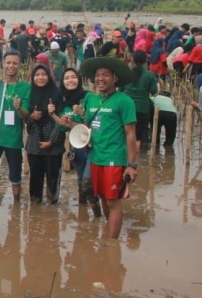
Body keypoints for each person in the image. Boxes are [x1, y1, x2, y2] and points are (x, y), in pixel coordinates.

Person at [76, 57, 138, 239]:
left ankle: (112, 244)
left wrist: (132, 165)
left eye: (105, 75)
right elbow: (87, 126)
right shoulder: (92, 100)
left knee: (113, 201)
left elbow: (130, 134)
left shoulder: (124, 101)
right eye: (97, 75)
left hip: (114, 159)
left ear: (115, 78)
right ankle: (110, 233)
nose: (100, 79)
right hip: (95, 157)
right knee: (103, 197)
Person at [53, 68, 97, 211]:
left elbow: (95, 121)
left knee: (89, 179)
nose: (70, 80)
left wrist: (82, 113)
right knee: (80, 179)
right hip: (77, 144)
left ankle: (96, 208)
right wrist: (56, 117)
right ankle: (83, 211)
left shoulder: (88, 97)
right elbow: (62, 127)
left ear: (78, 79)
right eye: (66, 78)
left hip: (94, 143)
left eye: (73, 77)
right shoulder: (61, 100)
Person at [26, 64, 65, 204]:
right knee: (35, 178)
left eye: (44, 74)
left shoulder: (57, 94)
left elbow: (62, 122)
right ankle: (35, 212)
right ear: (33, 77)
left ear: (49, 76)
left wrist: (52, 141)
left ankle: (52, 211)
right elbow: (26, 122)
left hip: (53, 145)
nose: (40, 77)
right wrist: (31, 117)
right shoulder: (30, 94)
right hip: (34, 143)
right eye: (37, 75)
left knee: (53, 179)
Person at [0, 51, 31, 202]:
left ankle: (16, 206)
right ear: (3, 64)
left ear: (20, 66)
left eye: (15, 63)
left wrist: (19, 108)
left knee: (15, 175)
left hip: (14, 139)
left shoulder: (25, 87)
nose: (11, 66)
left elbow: (26, 115)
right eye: (8, 63)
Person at [122, 50, 159, 148]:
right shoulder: (150, 75)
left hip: (126, 106)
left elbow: (120, 89)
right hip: (142, 107)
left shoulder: (126, 72)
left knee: (124, 134)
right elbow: (154, 91)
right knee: (138, 136)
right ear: (145, 61)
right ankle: (135, 160)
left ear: (132, 59)